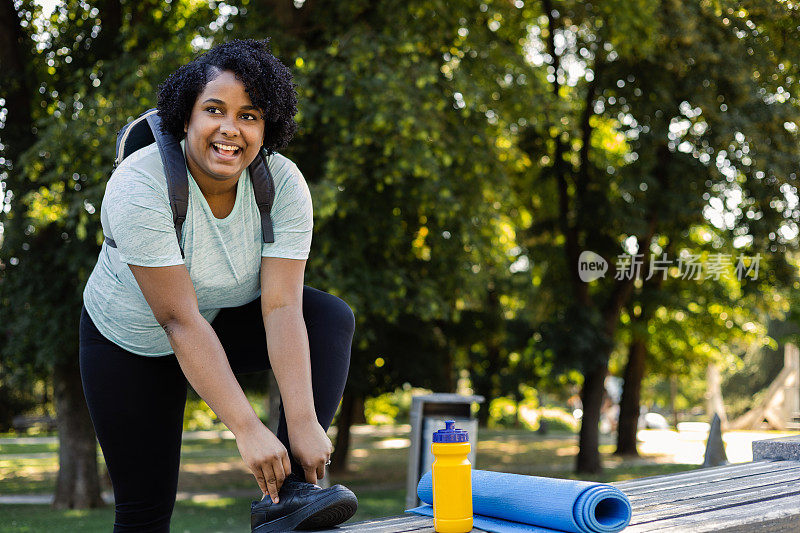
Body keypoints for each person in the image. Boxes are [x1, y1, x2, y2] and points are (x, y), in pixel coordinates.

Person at [80, 39, 357, 532]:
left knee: (328, 316)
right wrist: (247, 429)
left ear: (266, 127)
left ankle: (289, 497)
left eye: (249, 116)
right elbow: (176, 319)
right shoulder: (138, 187)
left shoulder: (283, 185)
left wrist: (306, 422)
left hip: (215, 319)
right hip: (130, 341)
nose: (231, 129)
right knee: (144, 513)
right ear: (185, 118)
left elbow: (281, 308)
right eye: (214, 110)